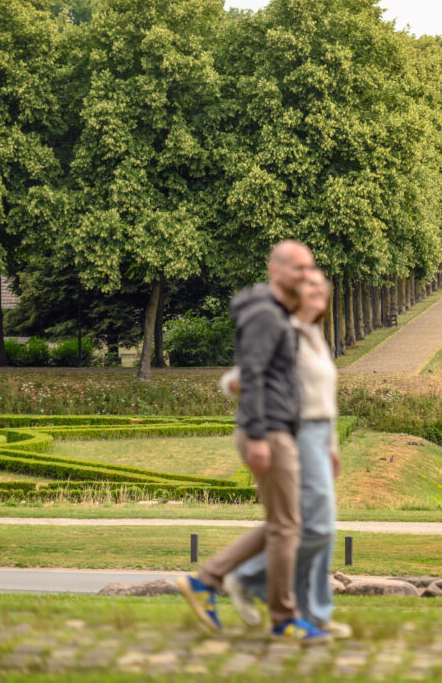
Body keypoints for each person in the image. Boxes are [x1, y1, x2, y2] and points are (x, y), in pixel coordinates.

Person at [177, 240, 329, 645]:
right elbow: (254, 377)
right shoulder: (265, 315)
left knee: (283, 523)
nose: (305, 275)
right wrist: (260, 437)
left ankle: (206, 581)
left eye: (309, 268)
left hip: (279, 430)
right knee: (287, 527)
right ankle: (284, 618)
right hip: (269, 432)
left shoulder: (277, 314)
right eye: (298, 269)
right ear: (275, 270)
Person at [223, 268, 351, 639]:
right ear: (296, 294)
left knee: (319, 528)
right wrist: (237, 387)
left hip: (318, 434)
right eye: (311, 287)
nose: (319, 292)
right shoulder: (283, 330)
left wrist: (332, 446)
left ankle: (315, 614)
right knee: (316, 527)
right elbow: (240, 377)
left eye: (322, 288)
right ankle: (248, 579)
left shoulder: (314, 334)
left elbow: (327, 398)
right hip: (296, 433)